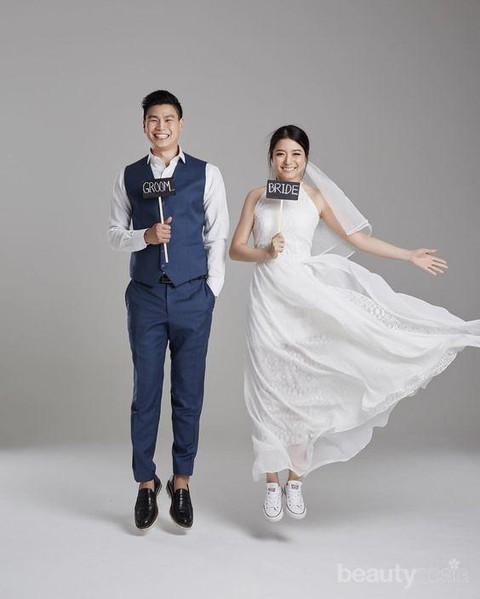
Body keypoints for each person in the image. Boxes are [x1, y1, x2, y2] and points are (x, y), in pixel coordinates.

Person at [229, 124, 480, 523]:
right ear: (271, 158)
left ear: (306, 159)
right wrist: (265, 251)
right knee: (267, 387)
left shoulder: (315, 198)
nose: (288, 161)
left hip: (303, 299)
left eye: (296, 154)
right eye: (281, 154)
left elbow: (359, 240)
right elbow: (235, 249)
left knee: (302, 387)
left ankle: (295, 479)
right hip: (267, 300)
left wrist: (408, 255)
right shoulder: (257, 196)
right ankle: (271, 483)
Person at [108, 90, 229, 530]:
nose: (161, 127)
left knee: (188, 394)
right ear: (144, 126)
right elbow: (113, 233)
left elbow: (218, 235)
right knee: (145, 394)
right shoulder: (129, 176)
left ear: (181, 124)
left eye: (169, 120)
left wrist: (211, 291)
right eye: (153, 120)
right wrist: (144, 236)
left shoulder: (206, 173)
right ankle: (145, 482)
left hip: (192, 296)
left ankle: (181, 481)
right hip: (145, 297)